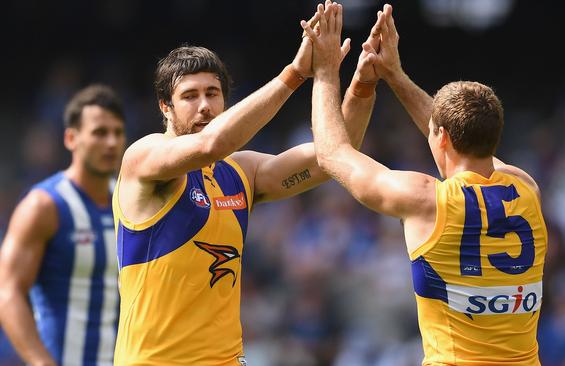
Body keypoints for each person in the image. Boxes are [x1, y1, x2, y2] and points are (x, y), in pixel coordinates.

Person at [112, 2, 384, 364]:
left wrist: (359, 83)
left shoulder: (240, 172)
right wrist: (294, 74)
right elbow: (212, 144)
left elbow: (333, 154)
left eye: (213, 93)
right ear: (165, 106)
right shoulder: (144, 157)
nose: (205, 106)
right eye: (190, 96)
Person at [304, 3, 548, 365]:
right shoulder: (526, 187)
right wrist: (396, 76)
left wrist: (325, 72)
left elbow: (331, 153)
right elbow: (457, 136)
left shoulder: (424, 199)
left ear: (442, 137)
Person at [0, 84, 126, 366]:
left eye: (118, 133)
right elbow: (7, 290)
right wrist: (41, 362)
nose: (111, 142)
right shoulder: (44, 205)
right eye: (100, 133)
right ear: (71, 138)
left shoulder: (129, 201)